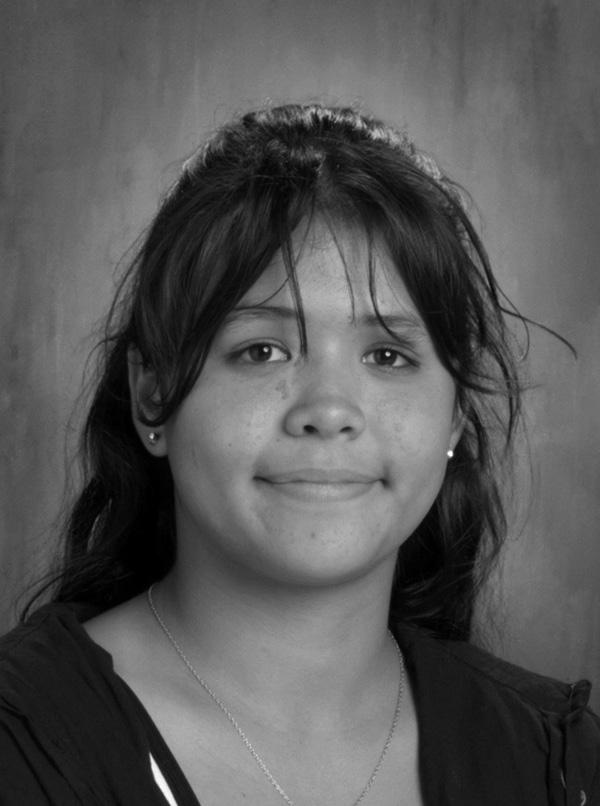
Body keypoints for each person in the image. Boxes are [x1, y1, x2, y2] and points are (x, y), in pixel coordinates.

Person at [0, 104, 598, 806]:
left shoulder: (555, 762)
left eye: (388, 355)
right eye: (262, 350)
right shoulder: (22, 741)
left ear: (456, 414)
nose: (329, 410)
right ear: (153, 397)